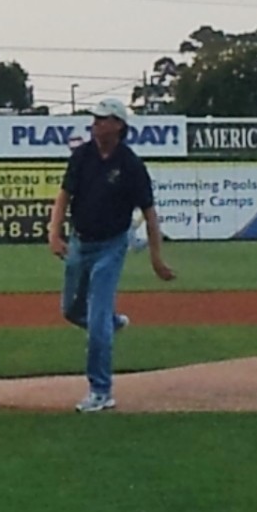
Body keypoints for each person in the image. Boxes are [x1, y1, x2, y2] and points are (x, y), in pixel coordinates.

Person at [48, 98, 175, 413]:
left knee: (97, 319)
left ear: (118, 125)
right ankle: (113, 322)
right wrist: (53, 233)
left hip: (111, 246)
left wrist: (156, 258)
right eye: (95, 118)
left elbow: (150, 213)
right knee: (70, 310)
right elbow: (64, 196)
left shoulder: (130, 164)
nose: (96, 123)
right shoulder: (82, 156)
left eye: (103, 119)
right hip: (80, 243)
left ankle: (101, 391)